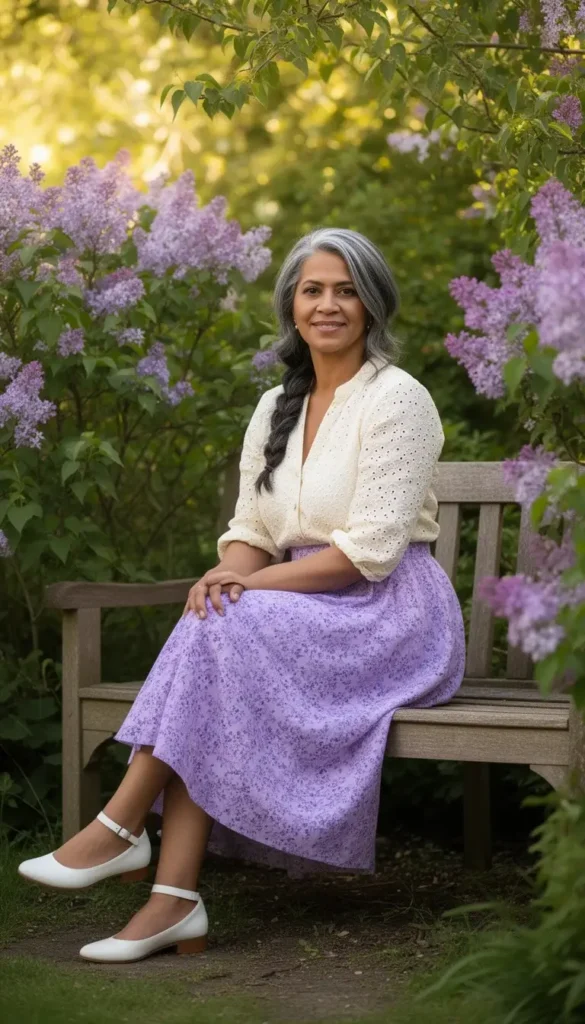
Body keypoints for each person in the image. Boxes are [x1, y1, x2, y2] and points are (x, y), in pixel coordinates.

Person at [18, 228, 466, 963]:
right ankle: (170, 901)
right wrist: (229, 572)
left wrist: (245, 582)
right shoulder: (274, 406)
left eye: (346, 289)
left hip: (388, 614)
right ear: (291, 304)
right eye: (313, 289)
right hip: (294, 604)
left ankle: (123, 830)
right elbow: (250, 527)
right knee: (220, 626)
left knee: (229, 619)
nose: (328, 304)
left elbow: (368, 553)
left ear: (373, 304)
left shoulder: (397, 400)